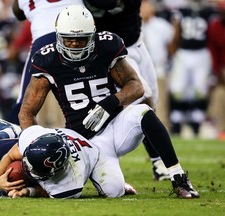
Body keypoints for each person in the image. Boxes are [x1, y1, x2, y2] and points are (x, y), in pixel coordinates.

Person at [14, 5, 199, 198]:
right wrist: (33, 143)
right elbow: (27, 112)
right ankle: (111, 180)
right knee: (114, 190)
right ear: (58, 36)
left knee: (142, 111)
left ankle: (178, 178)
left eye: (81, 39)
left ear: (93, 36)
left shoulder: (106, 46)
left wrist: (111, 102)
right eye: (69, 39)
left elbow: (136, 86)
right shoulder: (47, 59)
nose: (75, 44)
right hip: (87, 142)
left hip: (116, 126)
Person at [82, 0, 170, 180]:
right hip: (114, 48)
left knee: (152, 99)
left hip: (136, 41)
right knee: (142, 96)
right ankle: (159, 162)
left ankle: (156, 160)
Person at [0, 117, 137, 198]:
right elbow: (11, 154)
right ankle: (10, 131)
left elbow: (47, 190)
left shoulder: (70, 183)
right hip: (42, 141)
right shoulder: (34, 138)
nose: (27, 170)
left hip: (86, 154)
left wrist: (28, 191)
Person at [8, 0, 84, 126]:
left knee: (24, 102)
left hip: (44, 36)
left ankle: (10, 138)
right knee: (86, 90)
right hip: (78, 36)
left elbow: (18, 13)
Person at [168, 0, 216, 137]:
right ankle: (176, 121)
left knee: (199, 88)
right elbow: (176, 32)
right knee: (178, 88)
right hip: (184, 52)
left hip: (202, 52)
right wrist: (173, 52)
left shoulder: (209, 11)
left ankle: (197, 122)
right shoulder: (182, 10)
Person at [140, 0, 174, 130]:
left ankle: (163, 128)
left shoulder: (162, 25)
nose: (144, 9)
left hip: (158, 67)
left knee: (160, 101)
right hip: (138, 68)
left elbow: (171, 45)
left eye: (146, 7)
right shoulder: (134, 26)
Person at [206, 1, 225, 140]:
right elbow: (213, 51)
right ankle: (221, 128)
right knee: (219, 94)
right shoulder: (215, 26)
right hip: (223, 68)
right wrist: (217, 71)